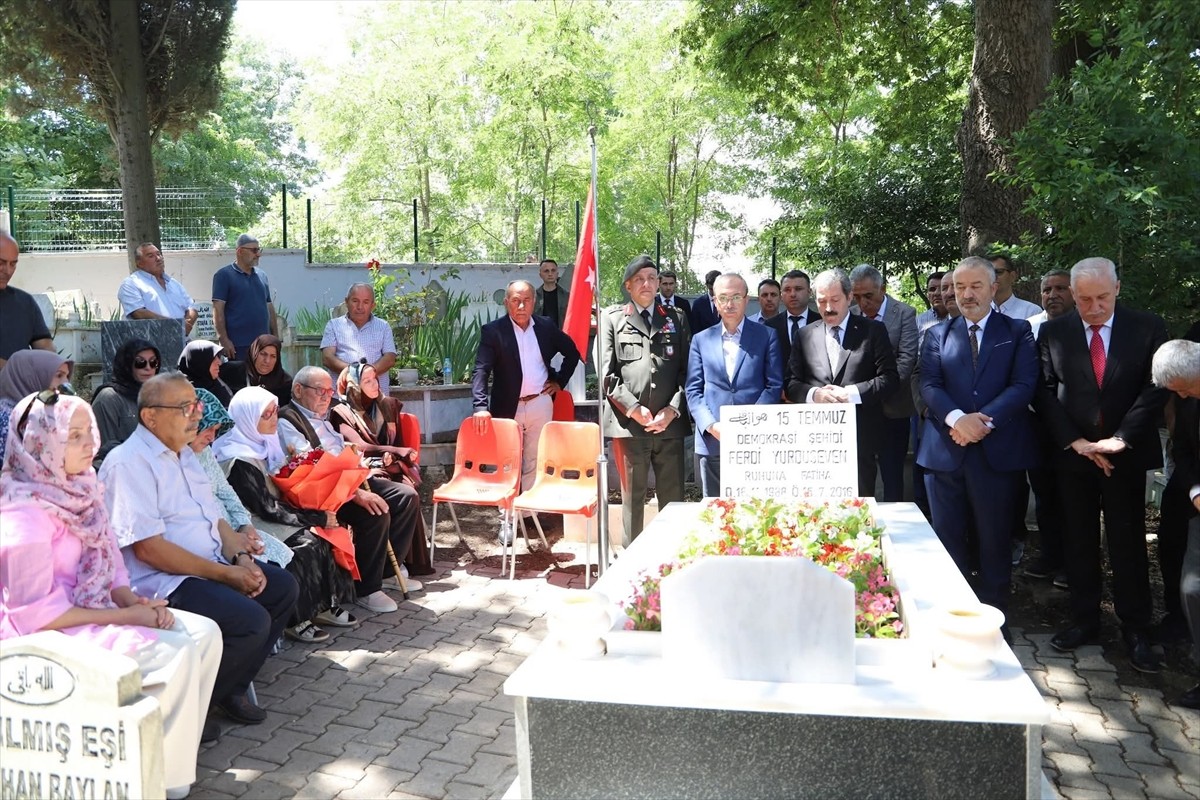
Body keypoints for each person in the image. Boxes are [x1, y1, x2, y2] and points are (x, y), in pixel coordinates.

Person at [0, 392, 224, 797]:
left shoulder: (81, 490)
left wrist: (130, 600)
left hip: (93, 611)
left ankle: (168, 767)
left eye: (90, 432)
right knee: (170, 655)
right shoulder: (23, 515)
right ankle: (159, 781)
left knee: (205, 634)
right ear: (40, 443)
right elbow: (32, 617)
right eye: (73, 436)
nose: (90, 444)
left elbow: (111, 565)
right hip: (43, 635)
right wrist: (125, 618)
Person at [100, 373, 299, 726]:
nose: (197, 415)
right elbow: (149, 550)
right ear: (151, 417)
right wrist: (227, 574)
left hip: (210, 562)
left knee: (282, 588)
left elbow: (213, 516)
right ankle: (186, 709)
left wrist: (240, 556)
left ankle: (225, 691)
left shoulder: (184, 452)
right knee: (250, 621)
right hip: (164, 581)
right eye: (186, 407)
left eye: (197, 405)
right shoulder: (128, 463)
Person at [1035, 257, 1168, 673]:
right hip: (1074, 456)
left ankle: (1136, 628)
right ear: (1072, 295)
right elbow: (1044, 390)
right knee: (1078, 539)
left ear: (1117, 289)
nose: (1094, 308)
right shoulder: (1054, 331)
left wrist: (1119, 439)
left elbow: (1155, 386)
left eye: (1102, 298)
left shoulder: (1147, 327)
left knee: (1127, 542)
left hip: (1125, 455)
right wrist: (1076, 442)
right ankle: (1084, 620)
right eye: (1085, 299)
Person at [915, 257, 1039, 629]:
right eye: (959, 287)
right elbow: (929, 384)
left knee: (994, 541)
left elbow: (1023, 384)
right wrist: (957, 420)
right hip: (945, 452)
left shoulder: (1017, 331)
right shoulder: (937, 334)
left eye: (975, 287)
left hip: (996, 453)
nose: (966, 295)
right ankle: (951, 618)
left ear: (993, 288)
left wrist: (982, 422)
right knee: (948, 540)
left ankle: (994, 621)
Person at [213, 386, 360, 642]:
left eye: (273, 411)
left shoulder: (265, 445)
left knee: (326, 534)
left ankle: (323, 606)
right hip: (250, 522)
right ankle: (296, 618)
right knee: (306, 542)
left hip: (273, 513)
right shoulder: (238, 459)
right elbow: (264, 507)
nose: (274, 418)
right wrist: (315, 516)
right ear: (248, 418)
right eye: (265, 414)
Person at [277, 366, 415, 610]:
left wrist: (361, 465)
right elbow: (311, 466)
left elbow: (343, 449)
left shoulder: (323, 417)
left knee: (406, 497)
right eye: (319, 390)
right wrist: (355, 492)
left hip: (349, 479)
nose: (326, 396)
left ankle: (385, 572)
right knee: (375, 511)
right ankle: (366, 589)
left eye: (329, 390)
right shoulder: (288, 421)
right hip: (322, 490)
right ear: (298, 390)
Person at [600, 256, 690, 545]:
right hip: (629, 427)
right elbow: (606, 374)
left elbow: (688, 372)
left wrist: (673, 409)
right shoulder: (612, 318)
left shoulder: (676, 318)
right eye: (639, 279)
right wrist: (634, 408)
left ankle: (672, 560)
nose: (647, 284)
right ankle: (631, 567)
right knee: (632, 503)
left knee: (673, 502)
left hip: (669, 427)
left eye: (652, 278)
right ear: (628, 285)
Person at [786, 269, 899, 498]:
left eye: (835, 300)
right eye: (822, 301)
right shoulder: (805, 335)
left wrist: (851, 394)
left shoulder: (873, 331)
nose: (828, 308)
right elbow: (791, 383)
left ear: (849, 298)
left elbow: (890, 378)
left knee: (860, 508)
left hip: (860, 439)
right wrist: (814, 395)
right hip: (815, 442)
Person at [471, 280, 581, 503]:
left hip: (540, 403)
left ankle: (529, 510)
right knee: (507, 461)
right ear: (506, 303)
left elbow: (572, 353)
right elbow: (481, 369)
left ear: (534, 302)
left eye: (526, 300)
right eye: (515, 301)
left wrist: (559, 381)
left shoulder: (546, 327)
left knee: (534, 459)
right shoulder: (493, 331)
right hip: (507, 405)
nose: (521, 306)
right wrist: (481, 406)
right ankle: (507, 516)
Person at [329, 361, 434, 577]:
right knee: (390, 491)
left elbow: (401, 446)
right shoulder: (342, 412)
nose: (374, 384)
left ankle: (400, 560)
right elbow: (361, 447)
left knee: (407, 487)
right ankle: (385, 566)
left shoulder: (388, 405)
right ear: (353, 385)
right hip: (363, 469)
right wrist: (394, 449)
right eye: (366, 380)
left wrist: (393, 456)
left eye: (375, 378)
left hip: (390, 465)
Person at [686, 273, 782, 497]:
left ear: (747, 300)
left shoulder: (767, 336)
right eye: (723, 298)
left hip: (755, 440)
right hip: (713, 440)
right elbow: (693, 389)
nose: (729, 304)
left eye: (736, 297)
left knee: (757, 511)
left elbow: (773, 386)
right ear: (715, 302)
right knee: (716, 513)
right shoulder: (701, 340)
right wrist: (711, 425)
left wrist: (749, 424)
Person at [1150, 339, 1200, 709]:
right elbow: (1183, 448)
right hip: (1195, 500)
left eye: (1184, 387)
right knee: (1192, 587)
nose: (1181, 396)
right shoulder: (1187, 399)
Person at [1022, 269, 1076, 588]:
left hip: (1076, 430)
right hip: (1038, 425)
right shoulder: (1029, 328)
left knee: (1072, 497)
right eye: (1046, 289)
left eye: (1060, 288)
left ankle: (1073, 562)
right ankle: (1050, 554)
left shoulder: (1083, 329)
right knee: (1044, 494)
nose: (1052, 295)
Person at [849, 264, 917, 501]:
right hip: (859, 408)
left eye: (868, 295)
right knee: (861, 471)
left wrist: (876, 389)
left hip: (893, 406)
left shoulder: (905, 313)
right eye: (856, 296)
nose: (862, 302)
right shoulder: (852, 315)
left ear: (882, 289)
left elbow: (907, 359)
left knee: (892, 473)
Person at [92, 338, 162, 462]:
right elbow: (104, 448)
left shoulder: (158, 397)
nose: (148, 368)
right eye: (140, 362)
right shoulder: (109, 398)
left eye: (153, 362)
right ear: (127, 365)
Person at [322, 283, 398, 395]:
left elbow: (390, 358)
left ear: (373, 305)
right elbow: (327, 358)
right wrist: (355, 373)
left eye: (366, 302)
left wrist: (368, 372)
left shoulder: (383, 326)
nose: (360, 307)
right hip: (341, 396)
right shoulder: (334, 325)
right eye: (355, 301)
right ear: (346, 302)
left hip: (376, 396)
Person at [212, 234, 277, 361]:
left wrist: (275, 338)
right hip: (237, 346)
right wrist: (224, 340)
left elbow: (269, 307)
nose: (258, 254)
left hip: (263, 345)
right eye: (254, 250)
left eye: (259, 250)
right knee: (239, 381)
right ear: (240, 251)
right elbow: (218, 310)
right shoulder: (223, 275)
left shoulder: (262, 275)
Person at [0, 349, 72, 462]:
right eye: (59, 375)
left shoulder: (40, 413)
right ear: (30, 377)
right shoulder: (8, 420)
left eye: (67, 376)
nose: (66, 383)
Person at [0, 232, 55, 370]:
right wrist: (16, 374)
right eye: (1, 263)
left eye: (13, 264)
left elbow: (47, 351)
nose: (7, 270)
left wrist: (57, 371)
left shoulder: (25, 303)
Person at [116, 243, 198, 334]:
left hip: (181, 340)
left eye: (159, 254)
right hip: (151, 342)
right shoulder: (131, 283)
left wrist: (186, 325)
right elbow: (138, 313)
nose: (158, 259)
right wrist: (175, 326)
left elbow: (191, 308)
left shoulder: (174, 284)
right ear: (139, 263)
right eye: (151, 256)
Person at [765, 269, 820, 387]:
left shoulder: (822, 323)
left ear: (809, 292)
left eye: (798, 289)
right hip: (779, 396)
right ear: (781, 294)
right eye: (787, 290)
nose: (793, 294)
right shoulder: (769, 327)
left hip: (815, 395)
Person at [221, 333, 293, 407]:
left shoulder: (285, 382)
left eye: (273, 356)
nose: (267, 360)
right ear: (254, 352)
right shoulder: (232, 372)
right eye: (263, 354)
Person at [178, 339, 237, 408]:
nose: (219, 363)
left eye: (218, 357)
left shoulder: (218, 386)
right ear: (200, 362)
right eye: (213, 358)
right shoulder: (181, 393)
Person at [988, 251, 1041, 320]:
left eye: (999, 272)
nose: (994, 276)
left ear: (1012, 276)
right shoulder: (980, 311)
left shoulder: (1031, 311)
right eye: (989, 273)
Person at [533, 258, 569, 329]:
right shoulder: (534, 296)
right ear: (540, 275)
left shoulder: (566, 296)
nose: (550, 274)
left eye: (553, 270)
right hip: (540, 335)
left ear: (557, 273)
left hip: (561, 335)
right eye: (546, 271)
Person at [689, 269, 723, 334]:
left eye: (716, 288)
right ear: (706, 285)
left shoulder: (727, 302)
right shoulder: (698, 304)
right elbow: (694, 328)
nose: (714, 292)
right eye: (711, 289)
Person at [915, 271, 948, 335]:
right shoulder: (918, 321)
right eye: (932, 289)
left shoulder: (964, 319)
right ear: (927, 295)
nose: (937, 293)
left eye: (942, 288)